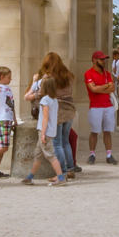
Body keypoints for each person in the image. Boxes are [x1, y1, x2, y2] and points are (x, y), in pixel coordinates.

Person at [23, 53, 71, 185]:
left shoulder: (45, 99)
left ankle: (61, 178)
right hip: (50, 130)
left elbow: (45, 118)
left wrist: (43, 133)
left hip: (45, 131)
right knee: (38, 154)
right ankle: (30, 177)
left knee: (50, 155)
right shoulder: (53, 99)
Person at [83, 49, 117, 164]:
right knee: (94, 131)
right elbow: (93, 89)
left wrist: (100, 88)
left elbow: (112, 88)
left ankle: (109, 155)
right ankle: (92, 154)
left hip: (108, 106)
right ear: (94, 60)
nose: (103, 61)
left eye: (104, 59)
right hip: (95, 106)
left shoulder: (107, 73)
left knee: (107, 131)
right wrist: (106, 86)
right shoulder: (88, 73)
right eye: (101, 59)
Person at [0, 67, 16, 178]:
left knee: (2, 146)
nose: (11, 79)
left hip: (8, 118)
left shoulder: (8, 88)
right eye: (8, 77)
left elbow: (12, 104)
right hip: (2, 118)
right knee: (4, 147)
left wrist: (14, 119)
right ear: (2, 77)